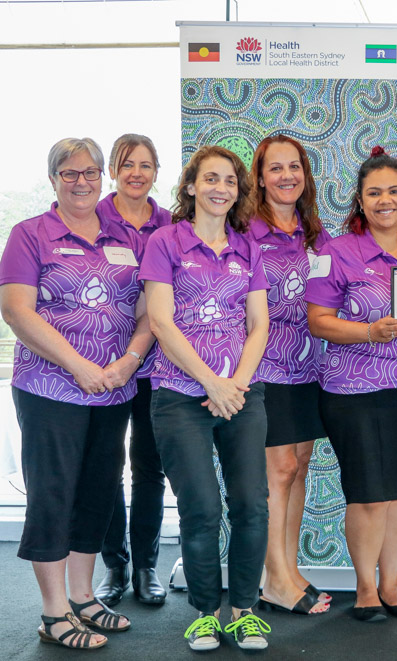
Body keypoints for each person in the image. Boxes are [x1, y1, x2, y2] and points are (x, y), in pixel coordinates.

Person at [0, 138, 151, 649]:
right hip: (50, 389)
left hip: (114, 389)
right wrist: (79, 366)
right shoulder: (30, 234)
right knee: (54, 493)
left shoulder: (126, 235)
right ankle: (53, 610)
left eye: (89, 172)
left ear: (101, 178)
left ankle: (84, 597)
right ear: (53, 180)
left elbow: (150, 308)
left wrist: (129, 359)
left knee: (98, 491)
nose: (81, 181)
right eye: (69, 174)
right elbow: (18, 312)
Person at [140, 145, 272, 650]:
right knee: (201, 509)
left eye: (231, 182)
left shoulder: (248, 248)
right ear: (191, 186)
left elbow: (258, 325)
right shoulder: (165, 242)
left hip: (242, 394)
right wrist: (210, 383)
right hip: (178, 395)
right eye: (210, 179)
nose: (221, 188)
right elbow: (160, 322)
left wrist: (234, 383)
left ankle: (243, 611)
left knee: (251, 506)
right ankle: (203, 613)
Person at [306, 146, 397, 622]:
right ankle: (365, 588)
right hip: (354, 392)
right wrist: (369, 330)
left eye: (393, 191)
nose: (385, 200)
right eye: (374, 193)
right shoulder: (335, 252)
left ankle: (392, 585)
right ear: (360, 202)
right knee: (369, 493)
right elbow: (320, 323)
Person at [247, 135, 332, 616]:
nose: (286, 176)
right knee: (276, 471)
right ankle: (274, 579)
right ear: (259, 177)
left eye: (294, 167)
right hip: (264, 366)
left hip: (308, 366)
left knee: (299, 466)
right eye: (275, 168)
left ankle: (287, 568)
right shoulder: (245, 232)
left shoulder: (314, 232)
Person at [93, 134, 172, 607]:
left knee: (149, 468)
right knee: (107, 467)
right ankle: (114, 564)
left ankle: (145, 565)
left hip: (157, 368)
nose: (136, 173)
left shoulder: (171, 224)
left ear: (157, 171)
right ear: (114, 172)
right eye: (127, 164)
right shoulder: (92, 220)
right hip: (101, 367)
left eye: (145, 165)